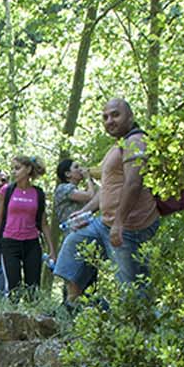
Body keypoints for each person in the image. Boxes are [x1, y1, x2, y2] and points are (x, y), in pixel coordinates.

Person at [53, 98, 170, 304]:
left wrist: (119, 223)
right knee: (75, 241)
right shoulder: (117, 147)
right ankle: (74, 304)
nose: (109, 120)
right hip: (104, 224)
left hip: (130, 228)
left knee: (133, 292)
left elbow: (134, 183)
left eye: (115, 115)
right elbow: (107, 189)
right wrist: (85, 212)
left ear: (130, 116)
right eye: (105, 117)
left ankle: (142, 327)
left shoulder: (136, 141)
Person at [0, 155, 53, 297]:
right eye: (12, 168)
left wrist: (52, 249)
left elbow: (44, 223)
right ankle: (13, 317)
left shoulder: (38, 193)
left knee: (33, 288)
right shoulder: (7, 191)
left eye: (17, 168)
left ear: (28, 169)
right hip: (10, 243)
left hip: (32, 244)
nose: (13, 172)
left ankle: (34, 317)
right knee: (13, 289)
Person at [52, 157, 96, 232]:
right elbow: (90, 196)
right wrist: (88, 178)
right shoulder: (63, 188)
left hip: (82, 230)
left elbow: (94, 203)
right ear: (67, 174)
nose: (80, 169)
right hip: (72, 233)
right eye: (76, 167)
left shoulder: (76, 191)